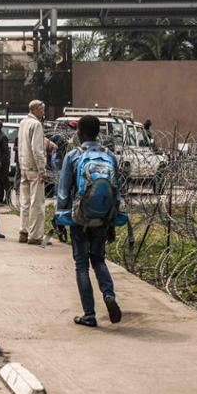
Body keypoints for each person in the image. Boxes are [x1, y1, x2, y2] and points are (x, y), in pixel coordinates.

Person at [55, 115, 122, 328]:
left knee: (82, 265)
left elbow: (63, 191)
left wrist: (59, 217)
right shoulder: (109, 156)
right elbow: (116, 192)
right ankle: (109, 295)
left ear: (80, 132)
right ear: (98, 132)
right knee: (99, 260)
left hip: (80, 217)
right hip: (103, 217)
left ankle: (89, 315)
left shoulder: (74, 156)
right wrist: (111, 222)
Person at [18, 100, 48, 245]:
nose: (43, 112)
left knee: (25, 201)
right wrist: (42, 170)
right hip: (35, 168)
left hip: (24, 166)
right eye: (42, 110)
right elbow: (37, 150)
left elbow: (20, 145)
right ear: (35, 109)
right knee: (37, 203)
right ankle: (35, 236)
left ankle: (23, 231)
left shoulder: (23, 122)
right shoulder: (36, 124)